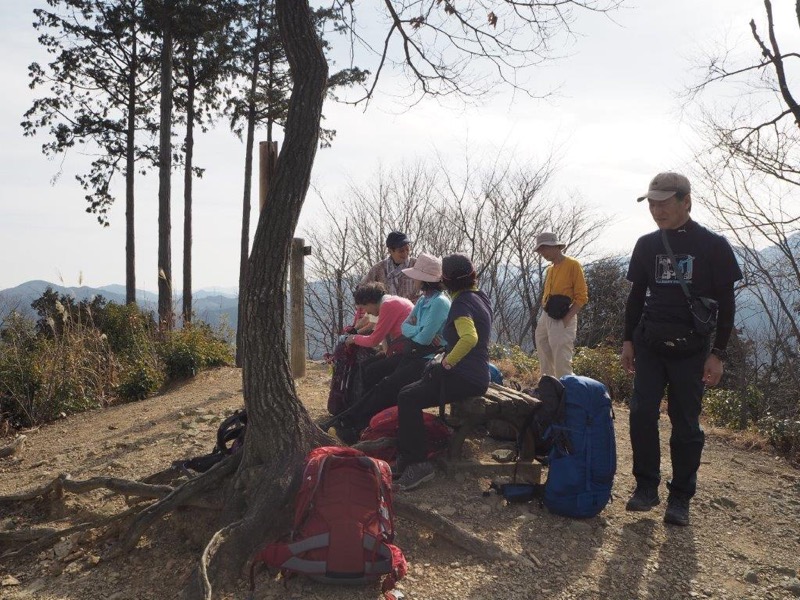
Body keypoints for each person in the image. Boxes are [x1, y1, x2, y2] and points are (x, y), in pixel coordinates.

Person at [621, 171, 742, 526]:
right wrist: (628, 340)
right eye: (652, 203)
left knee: (686, 422)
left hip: (692, 348)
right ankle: (646, 487)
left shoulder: (713, 245)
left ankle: (680, 498)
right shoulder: (647, 245)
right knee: (642, 413)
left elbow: (727, 303)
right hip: (651, 343)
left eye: (663, 203)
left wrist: (718, 353)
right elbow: (635, 297)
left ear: (685, 201)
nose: (656, 210)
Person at [392, 254, 493, 492]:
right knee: (408, 393)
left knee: (408, 397)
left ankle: (418, 464)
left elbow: (469, 338)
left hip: (465, 376)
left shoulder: (460, 304)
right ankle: (408, 458)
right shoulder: (479, 297)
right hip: (477, 374)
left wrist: (448, 363)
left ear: (446, 280)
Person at [337, 253, 451, 440]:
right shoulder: (424, 300)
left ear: (424, 280)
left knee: (387, 385)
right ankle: (358, 421)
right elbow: (407, 327)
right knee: (382, 382)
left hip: (427, 357)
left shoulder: (439, 302)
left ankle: (359, 425)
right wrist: (418, 331)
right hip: (414, 352)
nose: (412, 280)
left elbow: (422, 337)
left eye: (415, 277)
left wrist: (417, 331)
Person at [534, 231, 589, 378]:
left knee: (561, 358)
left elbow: (582, 297)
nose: (542, 252)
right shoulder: (550, 269)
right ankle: (548, 388)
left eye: (544, 248)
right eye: (540, 249)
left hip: (563, 316)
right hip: (547, 314)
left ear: (556, 247)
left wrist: (567, 319)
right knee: (543, 348)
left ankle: (566, 392)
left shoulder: (573, 265)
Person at [361, 231, 421, 303]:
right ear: (390, 251)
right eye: (401, 251)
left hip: (414, 311)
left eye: (407, 249)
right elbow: (362, 290)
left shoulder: (416, 265)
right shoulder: (378, 269)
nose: (405, 253)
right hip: (386, 311)